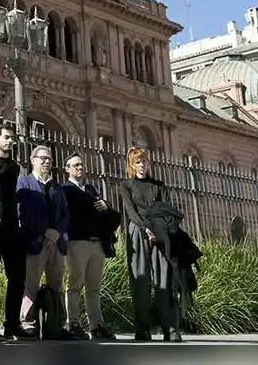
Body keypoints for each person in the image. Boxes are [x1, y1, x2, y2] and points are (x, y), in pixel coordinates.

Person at [119, 146, 181, 342]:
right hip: (138, 232)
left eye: (144, 161)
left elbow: (167, 208)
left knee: (164, 279)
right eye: (137, 162)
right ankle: (143, 328)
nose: (141, 165)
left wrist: (160, 229)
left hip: (159, 232)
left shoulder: (158, 185)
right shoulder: (127, 185)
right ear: (132, 164)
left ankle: (170, 327)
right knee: (140, 279)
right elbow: (131, 212)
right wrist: (146, 228)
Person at [0, 123, 34, 340]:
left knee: (17, 276)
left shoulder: (14, 167)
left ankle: (12, 324)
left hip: (12, 226)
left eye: (12, 138)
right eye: (6, 137)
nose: (10, 141)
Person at [16, 144, 71, 339]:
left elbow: (65, 213)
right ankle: (28, 323)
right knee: (30, 284)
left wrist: (57, 231)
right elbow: (23, 214)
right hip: (35, 242)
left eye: (49, 158)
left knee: (55, 284)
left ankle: (55, 325)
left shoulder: (56, 186)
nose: (46, 161)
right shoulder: (24, 182)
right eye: (42, 158)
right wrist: (44, 230)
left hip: (56, 243)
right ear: (32, 160)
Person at [61, 153, 117, 340]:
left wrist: (105, 205)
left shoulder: (91, 188)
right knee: (75, 284)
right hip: (78, 242)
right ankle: (73, 323)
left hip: (97, 242)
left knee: (94, 287)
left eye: (81, 165)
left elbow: (100, 209)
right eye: (75, 165)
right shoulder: (66, 189)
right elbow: (76, 211)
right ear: (67, 168)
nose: (79, 168)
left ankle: (97, 325)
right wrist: (94, 206)